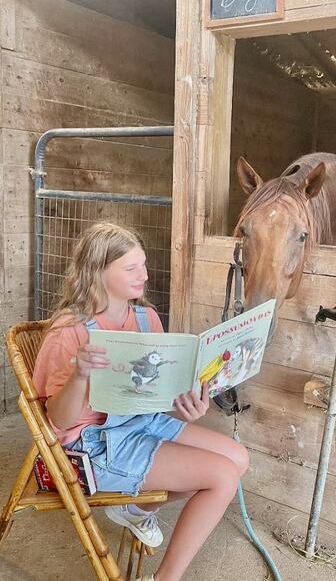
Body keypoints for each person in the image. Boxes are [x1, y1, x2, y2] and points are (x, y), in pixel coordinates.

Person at [32, 222, 249, 581]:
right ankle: (164, 578)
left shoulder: (147, 320)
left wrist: (187, 406)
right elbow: (57, 421)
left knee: (239, 459)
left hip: (140, 423)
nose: (144, 276)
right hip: (92, 442)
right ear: (97, 272)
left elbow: (157, 398)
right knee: (223, 477)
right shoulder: (68, 331)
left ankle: (136, 507)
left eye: (143, 265)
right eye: (131, 268)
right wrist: (80, 375)